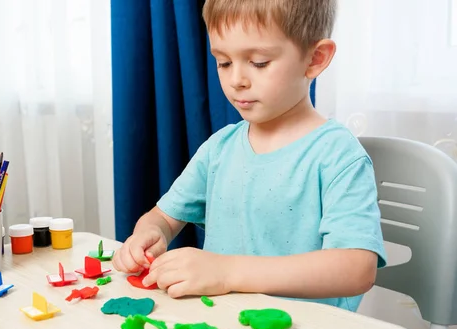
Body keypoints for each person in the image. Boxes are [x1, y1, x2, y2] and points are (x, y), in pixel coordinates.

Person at [112, 0, 387, 312]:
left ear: (315, 58)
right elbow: (163, 216)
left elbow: (356, 268)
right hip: (224, 323)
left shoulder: (337, 155)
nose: (236, 80)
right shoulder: (220, 149)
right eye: (224, 63)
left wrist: (227, 272)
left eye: (258, 62)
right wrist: (148, 233)